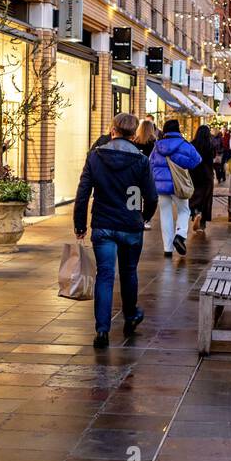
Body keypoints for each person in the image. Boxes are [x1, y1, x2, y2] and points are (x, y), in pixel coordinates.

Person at [74, 113, 158, 349]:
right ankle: (130, 315)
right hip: (131, 225)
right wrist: (144, 218)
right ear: (134, 135)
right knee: (129, 271)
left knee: (105, 275)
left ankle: (102, 329)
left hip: (103, 224)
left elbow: (82, 194)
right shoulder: (141, 161)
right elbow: (151, 197)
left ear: (113, 130)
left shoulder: (95, 157)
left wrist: (80, 225)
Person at [150, 119, 202, 257]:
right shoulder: (185, 145)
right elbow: (197, 160)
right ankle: (180, 235)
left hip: (161, 186)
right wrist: (182, 164)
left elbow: (150, 164)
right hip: (179, 185)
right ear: (178, 129)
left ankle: (168, 249)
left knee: (165, 214)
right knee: (184, 210)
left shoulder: (157, 146)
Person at [190, 125, 217, 233]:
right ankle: (202, 224)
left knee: (194, 196)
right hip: (207, 174)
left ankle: (196, 212)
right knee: (206, 198)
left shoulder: (192, 144)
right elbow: (212, 159)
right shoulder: (210, 145)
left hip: (194, 173)